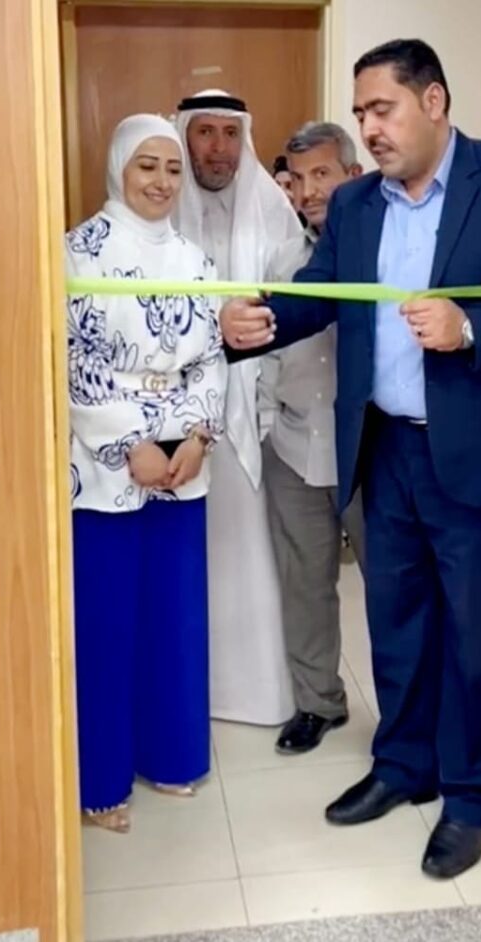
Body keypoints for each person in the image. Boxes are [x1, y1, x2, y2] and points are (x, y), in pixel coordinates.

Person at [220, 40, 481, 878]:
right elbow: (324, 289)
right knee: (397, 623)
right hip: (385, 451)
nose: (370, 128)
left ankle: (471, 795)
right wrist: (257, 322)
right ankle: (404, 763)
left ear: (434, 101)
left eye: (382, 109)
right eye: (361, 114)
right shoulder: (356, 206)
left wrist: (473, 326)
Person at [66, 113, 227, 833]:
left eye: (172, 169)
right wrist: (131, 443)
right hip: (106, 464)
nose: (161, 182)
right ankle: (99, 781)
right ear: (119, 169)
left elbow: (211, 358)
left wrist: (197, 434)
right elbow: (74, 359)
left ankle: (170, 755)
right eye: (147, 166)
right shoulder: (78, 252)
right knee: (105, 619)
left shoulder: (196, 260)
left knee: (173, 613)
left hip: (182, 460)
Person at [173, 89, 302, 726]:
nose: (218, 148)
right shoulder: (160, 206)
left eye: (230, 133)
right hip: (174, 423)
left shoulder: (272, 208)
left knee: (248, 555)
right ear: (184, 136)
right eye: (205, 133)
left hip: (253, 413)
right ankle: (182, 691)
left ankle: (253, 695)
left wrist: (269, 403)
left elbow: (294, 311)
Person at [259, 122, 366, 756]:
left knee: (395, 592)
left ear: (354, 176)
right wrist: (266, 426)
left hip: (371, 452)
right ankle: (318, 703)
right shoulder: (281, 258)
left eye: (322, 175)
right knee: (305, 586)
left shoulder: (384, 251)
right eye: (298, 179)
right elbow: (264, 348)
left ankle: (410, 720)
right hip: (295, 446)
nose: (308, 192)